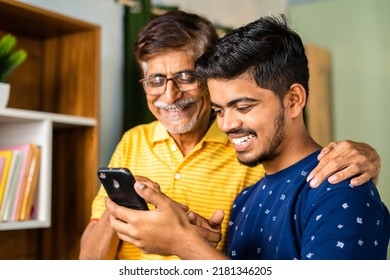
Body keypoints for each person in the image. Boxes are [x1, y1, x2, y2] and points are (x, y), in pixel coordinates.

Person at [80, 11, 383, 260]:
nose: (169, 95)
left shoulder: (328, 181)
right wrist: (128, 208)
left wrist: (182, 241)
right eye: (156, 80)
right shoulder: (244, 200)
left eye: (185, 77)